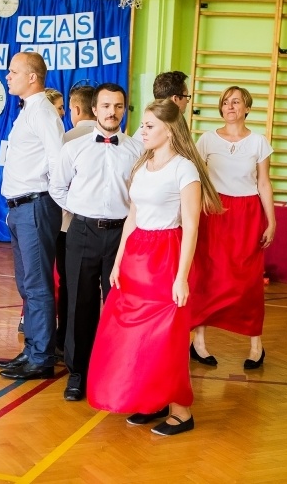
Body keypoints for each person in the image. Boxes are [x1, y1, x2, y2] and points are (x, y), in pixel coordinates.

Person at [87, 99, 223, 436]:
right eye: (143, 125)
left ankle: (182, 411)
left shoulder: (184, 169)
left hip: (166, 256)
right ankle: (152, 400)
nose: (142, 130)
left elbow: (191, 226)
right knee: (133, 336)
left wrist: (181, 278)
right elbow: (132, 216)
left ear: (169, 129)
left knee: (165, 337)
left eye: (149, 126)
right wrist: (118, 263)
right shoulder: (142, 163)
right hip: (136, 257)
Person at [50, 83, 143, 402]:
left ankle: (118, 370)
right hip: (83, 232)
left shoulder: (136, 150)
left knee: (120, 304)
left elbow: (141, 196)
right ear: (95, 109)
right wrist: (80, 210)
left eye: (118, 106)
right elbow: (57, 187)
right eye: (106, 106)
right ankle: (78, 373)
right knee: (79, 304)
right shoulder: (73, 148)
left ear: (124, 110)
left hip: (122, 235)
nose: (112, 112)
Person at [189, 86, 275, 369]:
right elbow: (196, 180)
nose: (230, 106)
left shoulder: (259, 142)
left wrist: (271, 221)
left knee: (248, 279)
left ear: (247, 108)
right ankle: (198, 343)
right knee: (206, 275)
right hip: (214, 211)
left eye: (236, 102)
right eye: (225, 102)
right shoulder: (206, 140)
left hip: (248, 213)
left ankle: (255, 346)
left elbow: (263, 183)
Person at [0, 52, 64, 380]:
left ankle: (42, 357)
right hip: (20, 208)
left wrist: (55, 197)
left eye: (13, 72)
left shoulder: (43, 112)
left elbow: (57, 158)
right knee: (27, 283)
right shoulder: (29, 111)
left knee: (37, 285)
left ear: (33, 77)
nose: (8, 76)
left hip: (35, 205)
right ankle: (33, 349)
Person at [53, 85, 98, 356]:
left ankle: (65, 340)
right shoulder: (122, 141)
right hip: (104, 226)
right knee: (96, 286)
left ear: (77, 109)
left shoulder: (65, 140)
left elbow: (57, 185)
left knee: (69, 285)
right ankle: (93, 340)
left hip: (69, 224)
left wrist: (77, 208)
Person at [132, 70, 191, 140]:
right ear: (175, 99)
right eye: (186, 96)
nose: (187, 101)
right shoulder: (163, 132)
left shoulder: (174, 124)